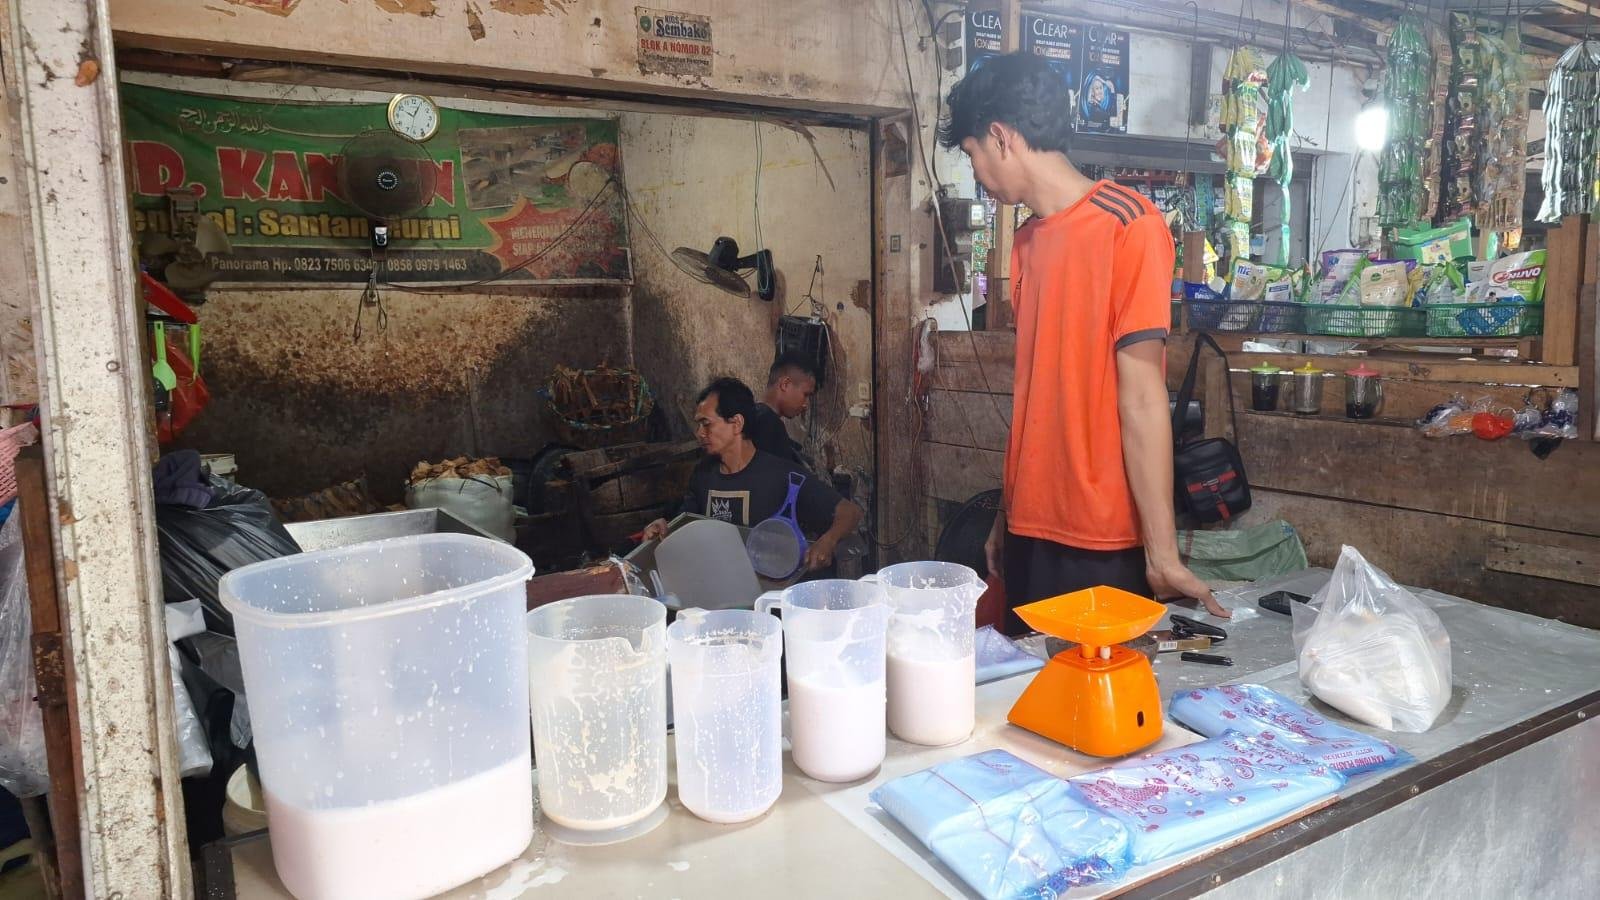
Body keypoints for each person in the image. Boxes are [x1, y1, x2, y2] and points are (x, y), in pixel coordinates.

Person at [939, 51, 1229, 630]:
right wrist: (1005, 511)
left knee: (1092, 709)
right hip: (1028, 527)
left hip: (1101, 534)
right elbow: (1037, 392)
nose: (975, 170)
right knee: (1025, 709)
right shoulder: (1026, 242)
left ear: (1000, 137)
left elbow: (1143, 396)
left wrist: (1161, 551)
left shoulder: (1130, 225)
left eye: (971, 153)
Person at [642, 377, 861, 571]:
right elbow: (687, 525)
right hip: (718, 593)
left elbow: (849, 512)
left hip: (768, 598)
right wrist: (664, 529)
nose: (700, 433)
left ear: (736, 423)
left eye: (706, 424)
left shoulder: (781, 475)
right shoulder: (703, 475)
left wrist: (828, 541)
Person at [744, 352, 817, 465]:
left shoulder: (753, 415)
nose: (806, 404)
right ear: (785, 384)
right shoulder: (769, 424)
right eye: (805, 395)